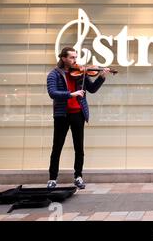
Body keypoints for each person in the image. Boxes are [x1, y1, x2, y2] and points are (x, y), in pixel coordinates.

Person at [46, 47, 110, 189]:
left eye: (75, 57)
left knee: (79, 147)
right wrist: (71, 94)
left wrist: (102, 77)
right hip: (61, 115)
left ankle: (78, 176)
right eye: (72, 57)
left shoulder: (81, 73)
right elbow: (52, 93)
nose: (75, 60)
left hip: (78, 114)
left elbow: (92, 89)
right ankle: (52, 178)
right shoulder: (54, 74)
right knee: (57, 147)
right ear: (63, 58)